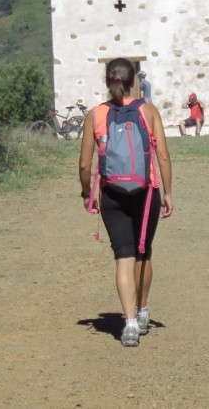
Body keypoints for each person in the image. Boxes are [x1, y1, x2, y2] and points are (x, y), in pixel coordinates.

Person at [79, 58, 173, 347]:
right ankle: (143, 311)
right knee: (144, 254)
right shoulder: (149, 111)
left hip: (112, 194)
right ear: (134, 81)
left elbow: (84, 164)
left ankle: (129, 324)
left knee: (124, 256)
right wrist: (167, 192)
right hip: (146, 193)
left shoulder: (95, 115)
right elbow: (164, 156)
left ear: (107, 81)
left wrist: (87, 193)